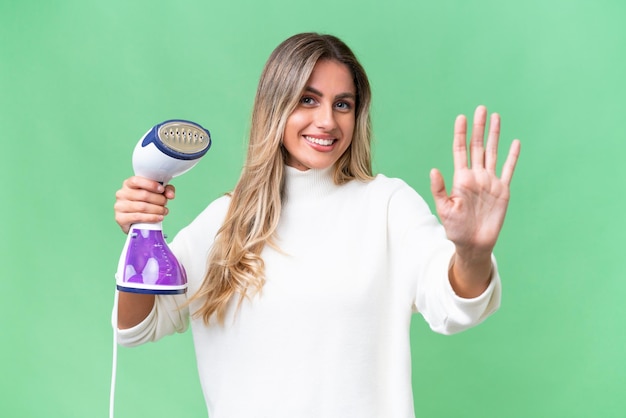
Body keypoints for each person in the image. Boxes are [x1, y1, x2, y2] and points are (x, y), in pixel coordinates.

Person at [113, 32, 520, 418]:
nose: (327, 120)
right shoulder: (225, 222)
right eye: (308, 100)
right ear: (275, 106)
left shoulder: (387, 206)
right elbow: (136, 328)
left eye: (342, 104)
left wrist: (472, 253)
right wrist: (138, 237)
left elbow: (453, 307)